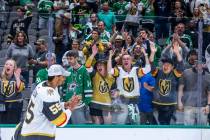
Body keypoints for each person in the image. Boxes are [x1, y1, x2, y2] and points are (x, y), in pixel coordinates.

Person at [12, 64, 81, 140]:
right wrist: (71, 108)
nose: (65, 78)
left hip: (29, 131)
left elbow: (44, 107)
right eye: (63, 76)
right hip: (37, 135)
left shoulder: (42, 85)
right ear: (56, 77)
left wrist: (65, 104)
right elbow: (60, 121)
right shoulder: (48, 94)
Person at [107, 48, 151, 124]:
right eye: (124, 59)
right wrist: (110, 56)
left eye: (128, 59)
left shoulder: (136, 70)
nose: (126, 60)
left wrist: (145, 55)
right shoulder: (119, 70)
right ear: (122, 61)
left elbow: (148, 69)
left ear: (131, 61)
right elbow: (109, 71)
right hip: (122, 101)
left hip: (134, 101)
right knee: (120, 123)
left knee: (135, 123)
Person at [85, 45, 115, 124]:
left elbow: (110, 70)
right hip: (94, 103)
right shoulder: (94, 74)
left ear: (105, 66)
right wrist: (93, 54)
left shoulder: (110, 76)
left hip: (107, 104)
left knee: (108, 127)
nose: (99, 66)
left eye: (101, 65)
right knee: (96, 127)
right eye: (98, 65)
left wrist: (110, 57)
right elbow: (87, 66)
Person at [63, 50, 93, 124]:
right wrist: (64, 100)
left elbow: (88, 87)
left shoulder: (84, 71)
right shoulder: (68, 71)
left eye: (71, 58)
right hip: (68, 104)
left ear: (76, 58)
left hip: (79, 105)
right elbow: (65, 87)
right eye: (68, 59)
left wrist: (86, 103)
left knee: (80, 128)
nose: (69, 61)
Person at [178, 58, 210, 125]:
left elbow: (209, 93)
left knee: (202, 130)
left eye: (200, 63)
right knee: (188, 130)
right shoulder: (186, 72)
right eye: (196, 62)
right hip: (188, 106)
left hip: (202, 107)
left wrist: (208, 105)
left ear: (204, 64)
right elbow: (180, 88)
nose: (198, 64)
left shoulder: (208, 76)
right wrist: (179, 102)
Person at [0, 59, 25, 124]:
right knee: (2, 124)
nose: (8, 66)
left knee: (13, 124)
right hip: (2, 103)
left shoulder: (19, 77)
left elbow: (20, 89)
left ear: (14, 68)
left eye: (10, 65)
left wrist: (17, 77)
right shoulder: (1, 77)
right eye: (6, 64)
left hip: (15, 104)